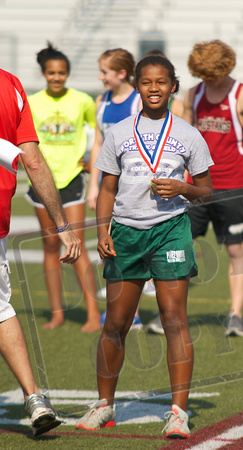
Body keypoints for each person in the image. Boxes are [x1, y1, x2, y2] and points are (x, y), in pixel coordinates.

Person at [75, 55, 213, 438]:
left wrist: (183, 187)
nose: (154, 88)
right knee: (116, 323)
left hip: (171, 230)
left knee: (174, 320)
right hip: (126, 234)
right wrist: (104, 231)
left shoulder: (188, 133)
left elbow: (206, 192)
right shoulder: (119, 131)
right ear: (137, 86)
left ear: (173, 86)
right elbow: (106, 188)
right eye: (147, 82)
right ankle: (105, 405)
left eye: (162, 82)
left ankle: (178, 412)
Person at [0, 67, 81, 435]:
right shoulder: (10, 84)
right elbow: (31, 160)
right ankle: (33, 397)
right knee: (0, 309)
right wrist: (62, 225)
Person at [183, 40, 243, 337]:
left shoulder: (242, 95)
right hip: (196, 187)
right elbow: (185, 141)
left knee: (235, 250)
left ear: (225, 67)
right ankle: (174, 313)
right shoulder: (192, 95)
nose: (208, 80)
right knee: (180, 249)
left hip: (233, 187)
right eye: (203, 75)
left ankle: (235, 315)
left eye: (213, 74)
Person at [26, 43, 100, 332]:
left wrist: (90, 159)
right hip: (41, 184)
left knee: (76, 245)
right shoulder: (32, 102)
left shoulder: (83, 100)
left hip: (72, 181)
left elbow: (96, 133)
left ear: (67, 73)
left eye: (62, 73)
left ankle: (93, 314)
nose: (57, 78)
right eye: (51, 73)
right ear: (44, 73)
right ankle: (56, 313)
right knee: (50, 246)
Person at [85, 48, 147, 328]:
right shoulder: (102, 101)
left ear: (122, 73)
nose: (100, 77)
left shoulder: (139, 102)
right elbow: (98, 143)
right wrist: (93, 187)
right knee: (107, 247)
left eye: (105, 72)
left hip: (133, 188)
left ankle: (131, 313)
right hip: (107, 188)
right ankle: (118, 310)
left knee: (130, 249)